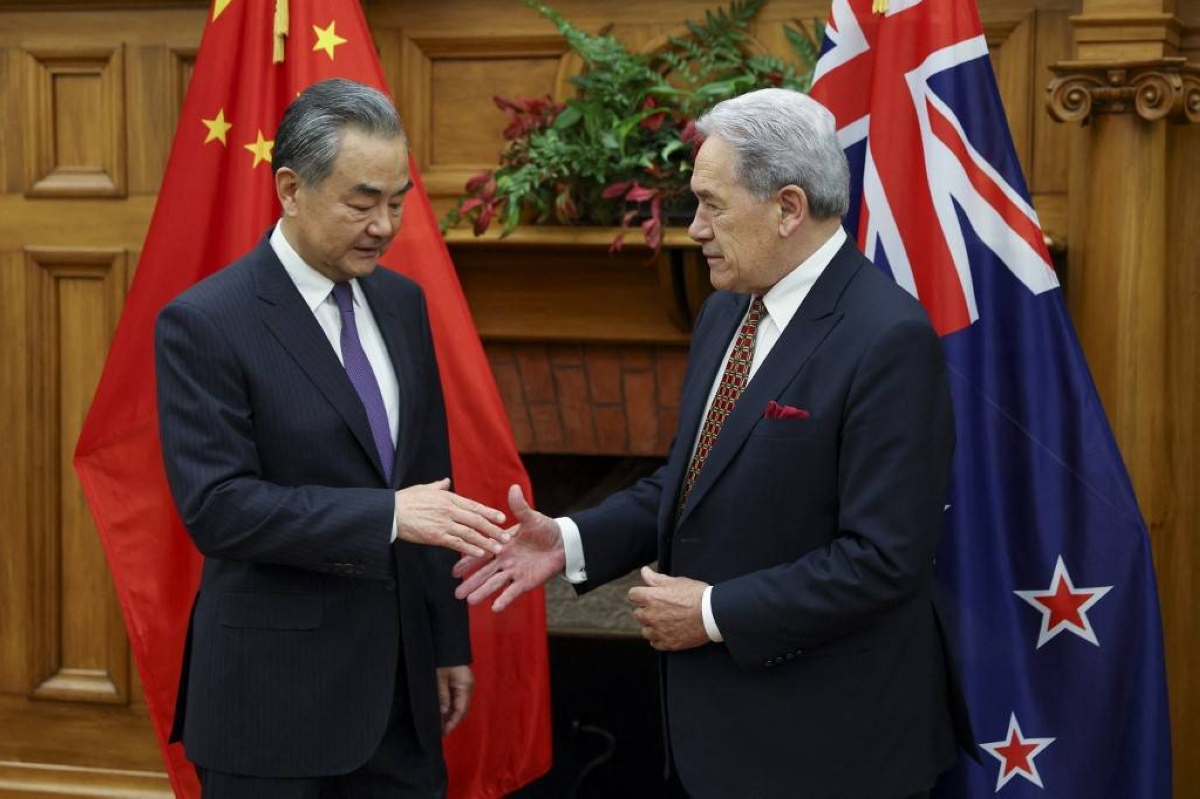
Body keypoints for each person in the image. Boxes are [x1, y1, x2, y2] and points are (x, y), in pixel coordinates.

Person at [456, 88, 976, 798]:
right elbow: (694, 479)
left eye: (712, 204)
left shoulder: (888, 338)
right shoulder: (726, 310)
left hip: (833, 751)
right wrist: (570, 540)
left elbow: (884, 560)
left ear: (788, 208)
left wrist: (710, 613)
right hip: (723, 739)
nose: (694, 227)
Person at [155, 78, 509, 798]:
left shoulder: (403, 304)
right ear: (291, 188)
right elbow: (217, 508)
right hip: (273, 711)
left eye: (398, 200)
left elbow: (429, 484)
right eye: (362, 201)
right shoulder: (205, 321)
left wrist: (444, 642)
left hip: (402, 704)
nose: (385, 224)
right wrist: (385, 516)